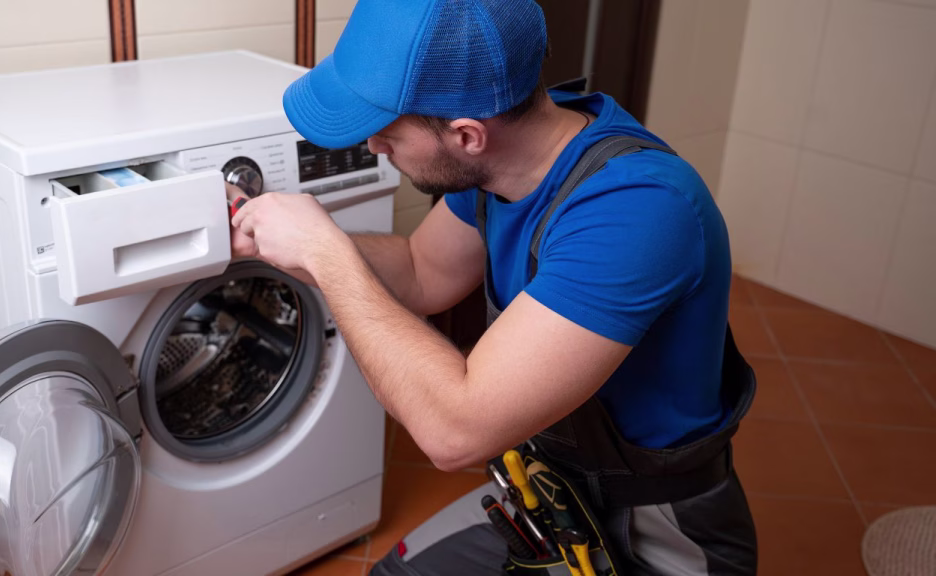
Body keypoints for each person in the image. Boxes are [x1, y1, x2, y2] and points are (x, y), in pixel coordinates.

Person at [227, 0, 758, 574]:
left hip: (653, 527)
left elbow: (455, 432)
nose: (376, 146)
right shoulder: (504, 165)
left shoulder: (637, 210)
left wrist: (325, 254)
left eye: (386, 131)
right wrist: (286, 240)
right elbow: (420, 271)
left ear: (467, 135)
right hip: (547, 492)